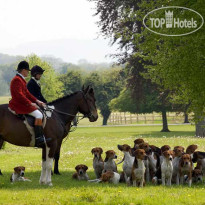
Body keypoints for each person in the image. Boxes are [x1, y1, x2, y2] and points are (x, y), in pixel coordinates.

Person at [9, 61, 50, 147]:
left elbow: (27, 94)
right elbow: (19, 95)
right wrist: (30, 103)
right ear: (23, 70)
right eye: (27, 70)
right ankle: (39, 138)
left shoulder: (21, 80)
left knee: (39, 112)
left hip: (22, 103)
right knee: (39, 115)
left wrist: (37, 101)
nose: (28, 72)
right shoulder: (17, 80)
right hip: (18, 104)